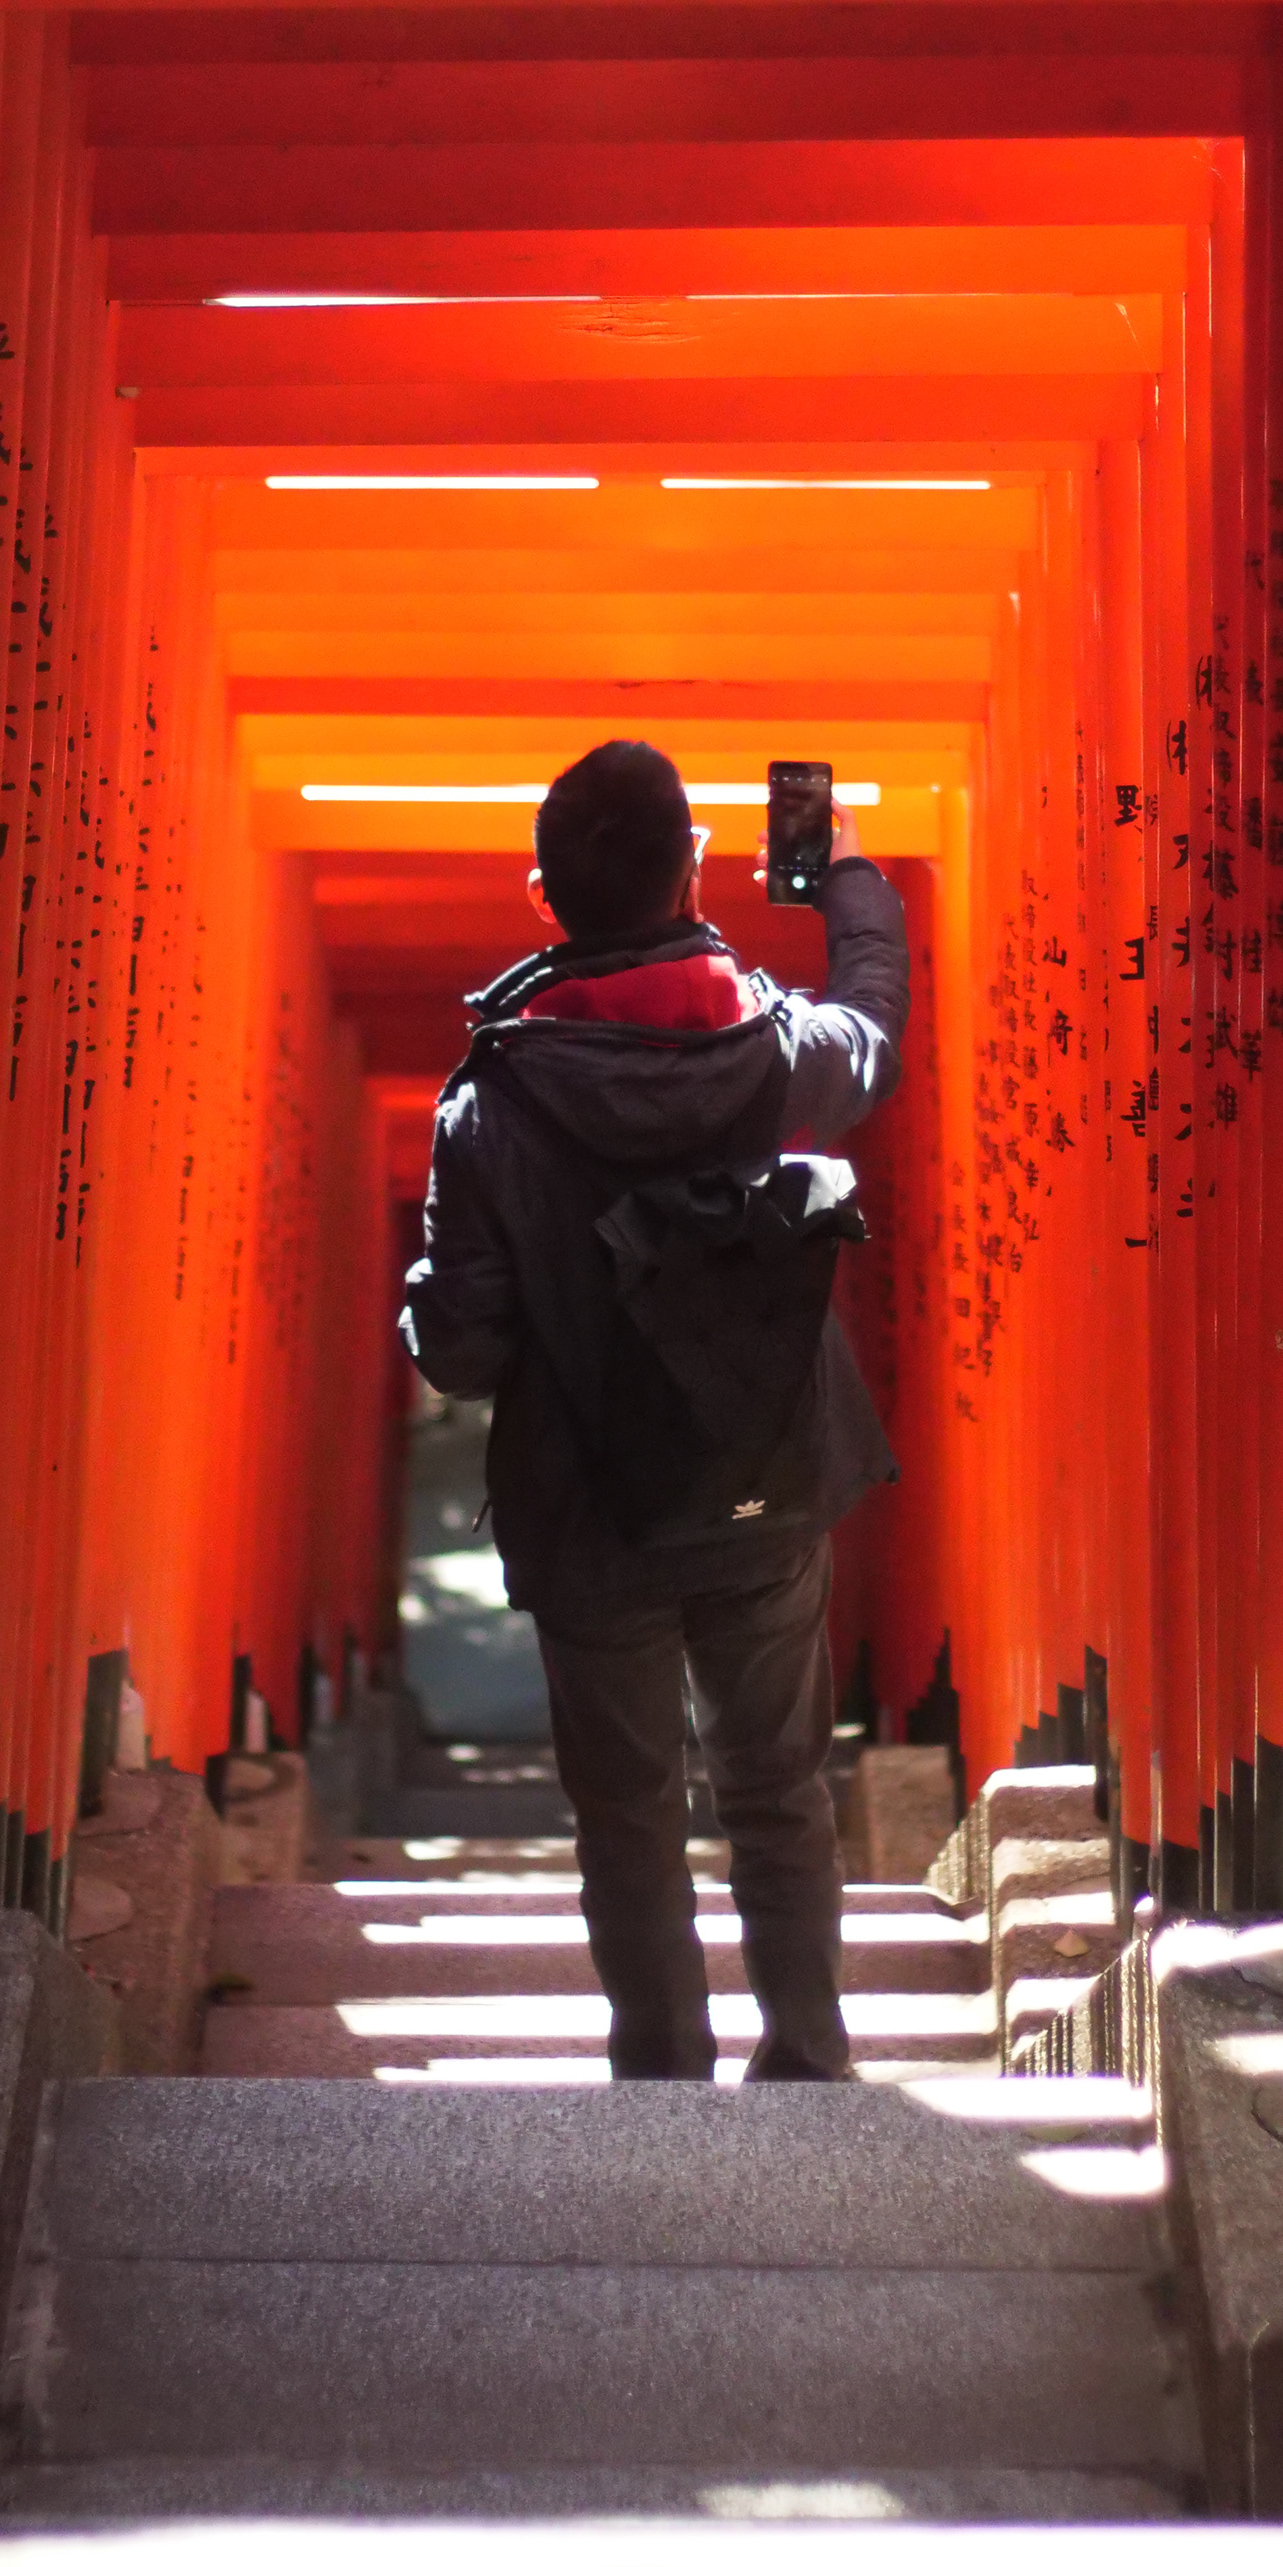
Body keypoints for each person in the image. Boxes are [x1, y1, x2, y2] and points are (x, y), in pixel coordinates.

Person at [400, 738, 909, 2081]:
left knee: (627, 1814)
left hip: (588, 1511)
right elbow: (870, 1032)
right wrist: (849, 883)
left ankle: (663, 2077)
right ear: (696, 869)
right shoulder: (771, 1048)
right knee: (777, 1788)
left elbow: (461, 1354)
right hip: (764, 1479)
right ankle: (808, 2059)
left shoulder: (488, 1103)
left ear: (542, 896)